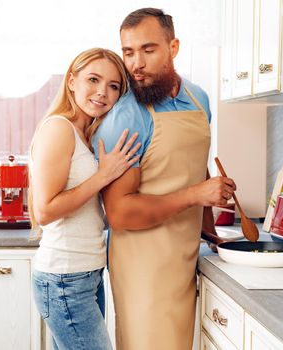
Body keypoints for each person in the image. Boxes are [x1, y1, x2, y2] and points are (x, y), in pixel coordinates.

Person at [91, 8, 237, 350]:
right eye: (128, 52)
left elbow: (192, 165)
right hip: (143, 266)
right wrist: (197, 194)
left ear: (173, 48)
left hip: (185, 255)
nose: (136, 64)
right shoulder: (125, 116)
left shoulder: (199, 99)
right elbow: (120, 214)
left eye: (148, 49)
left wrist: (212, 235)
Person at [29, 48, 141, 350]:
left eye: (114, 86)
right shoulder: (58, 129)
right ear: (71, 81)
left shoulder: (86, 133)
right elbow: (45, 211)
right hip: (64, 279)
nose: (102, 92)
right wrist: (103, 176)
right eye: (93, 80)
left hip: (86, 274)